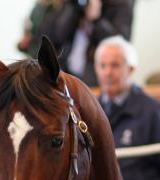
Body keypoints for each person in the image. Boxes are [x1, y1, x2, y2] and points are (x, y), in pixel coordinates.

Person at [94, 35, 160, 180]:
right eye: (102, 65)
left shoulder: (154, 112)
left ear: (130, 69)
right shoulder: (87, 112)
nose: (108, 73)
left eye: (115, 65)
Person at [56, 0, 135, 86]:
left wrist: (96, 20)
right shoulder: (75, 4)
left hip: (95, 78)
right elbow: (58, 36)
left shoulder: (120, 4)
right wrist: (74, 10)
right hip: (66, 72)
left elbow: (120, 44)